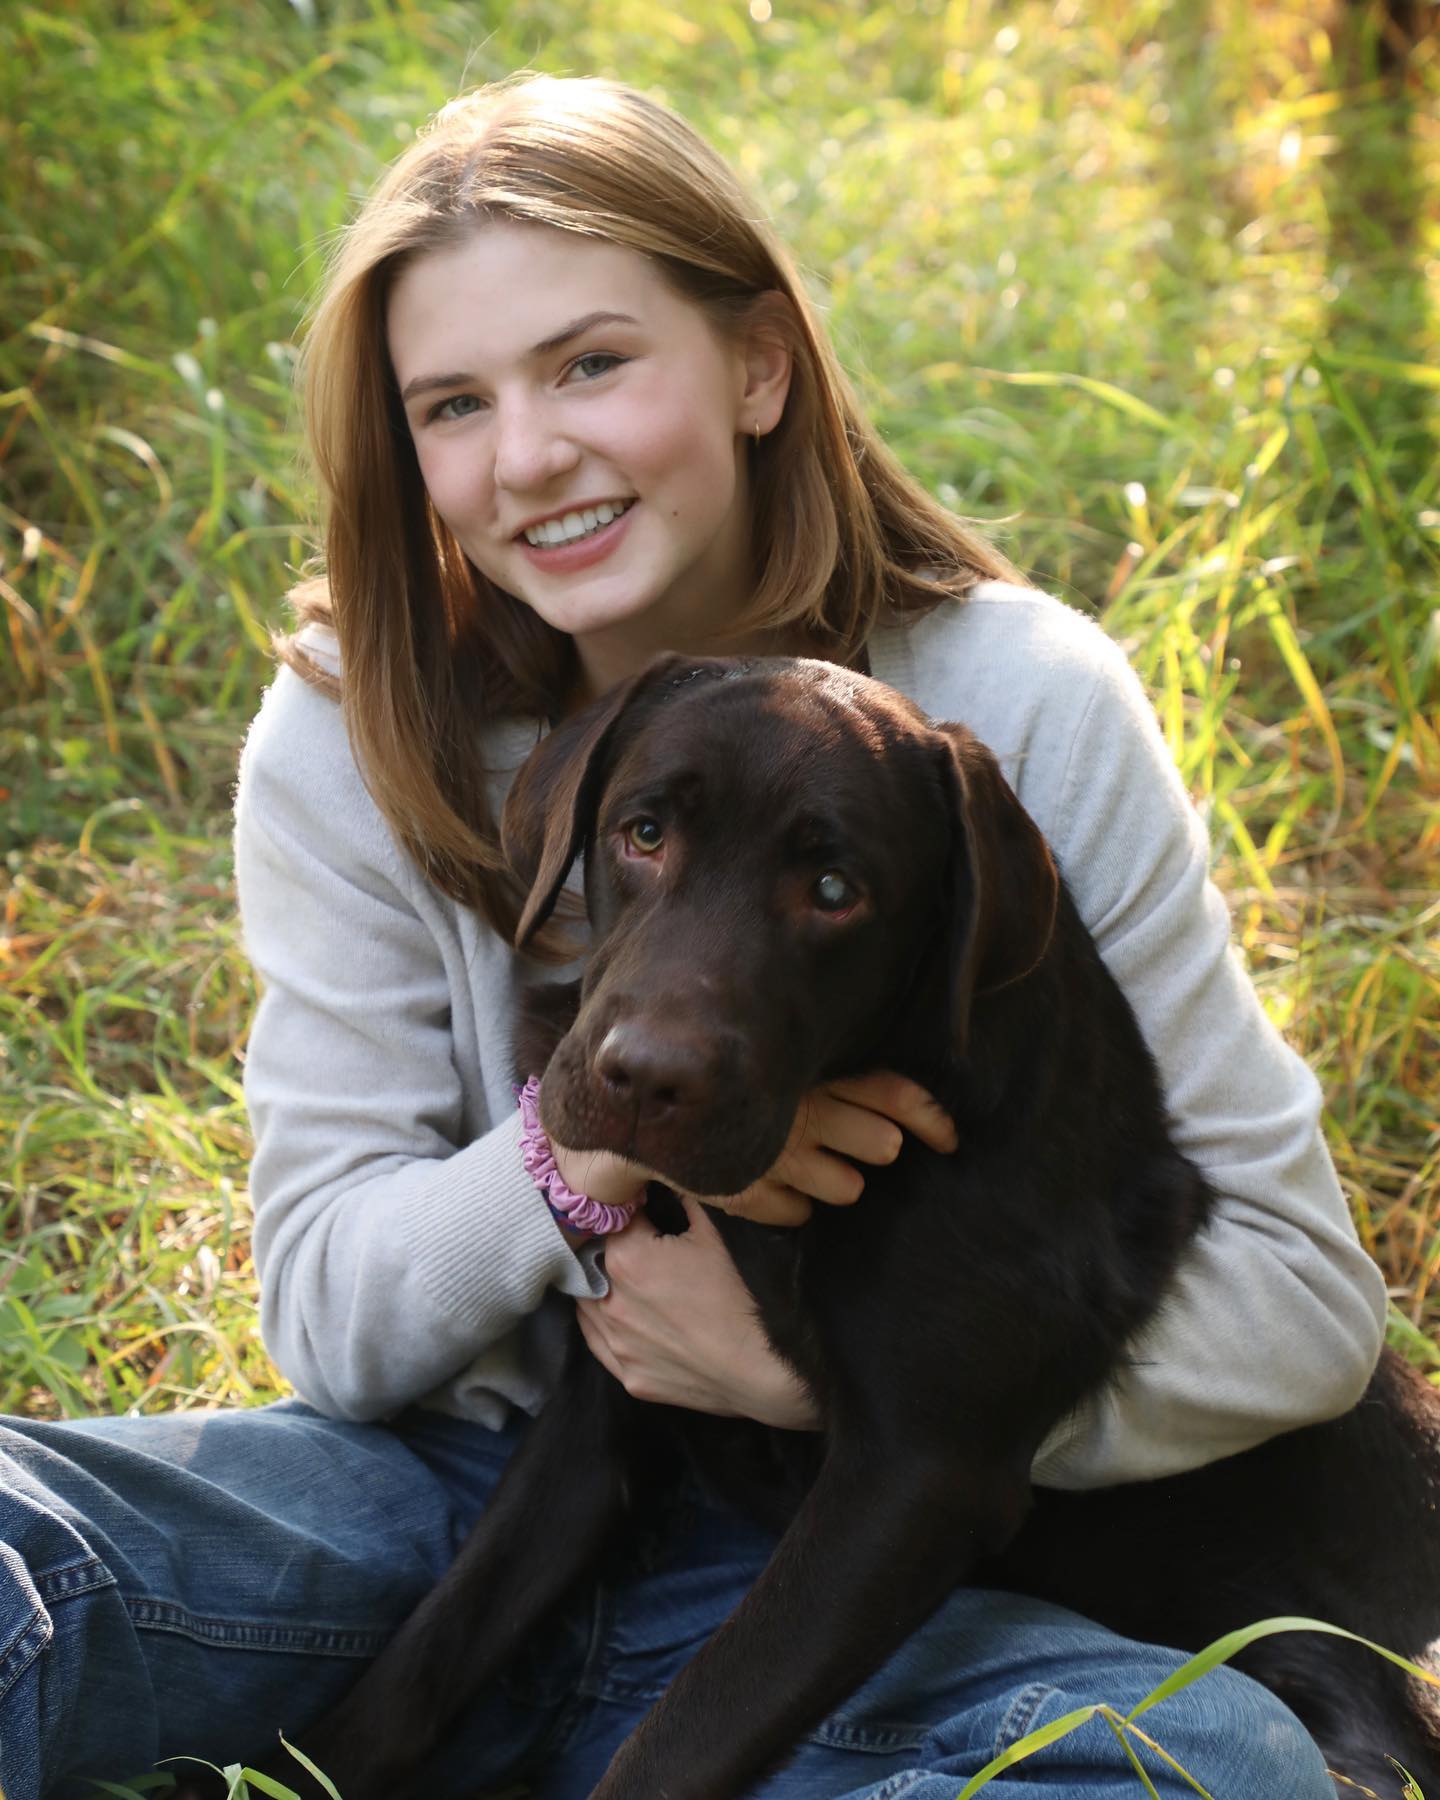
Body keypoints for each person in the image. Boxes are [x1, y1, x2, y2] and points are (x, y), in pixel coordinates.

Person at [0, 74, 1386, 1800]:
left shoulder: (1008, 706)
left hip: (856, 1582)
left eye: (591, 363)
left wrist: (824, 1391)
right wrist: (594, 1150)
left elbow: (1309, 1306)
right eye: (452, 403)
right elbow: (333, 1318)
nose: (528, 455)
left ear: (757, 363)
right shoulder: (349, 729)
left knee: (1211, 1765)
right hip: (433, 1510)